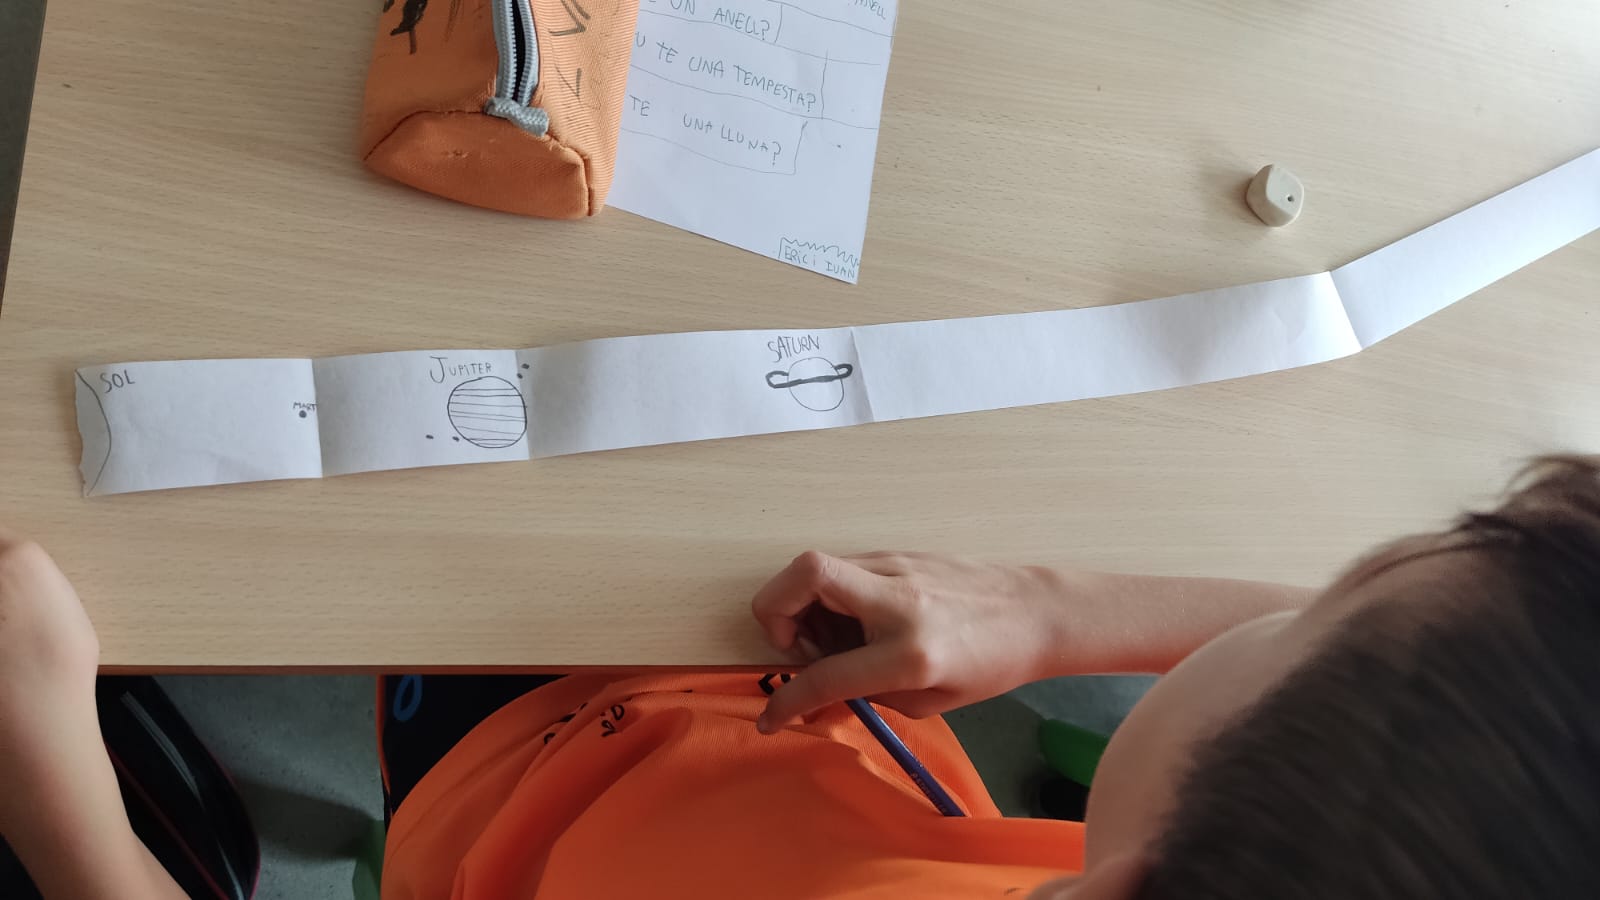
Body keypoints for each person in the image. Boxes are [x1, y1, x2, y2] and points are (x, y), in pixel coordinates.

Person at [3, 457, 1598, 898]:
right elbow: (1382, 706)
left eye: (1330, 598)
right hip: (744, 722)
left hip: (508, 813)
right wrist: (1048, 611)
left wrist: (56, 785)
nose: (1328, 576)